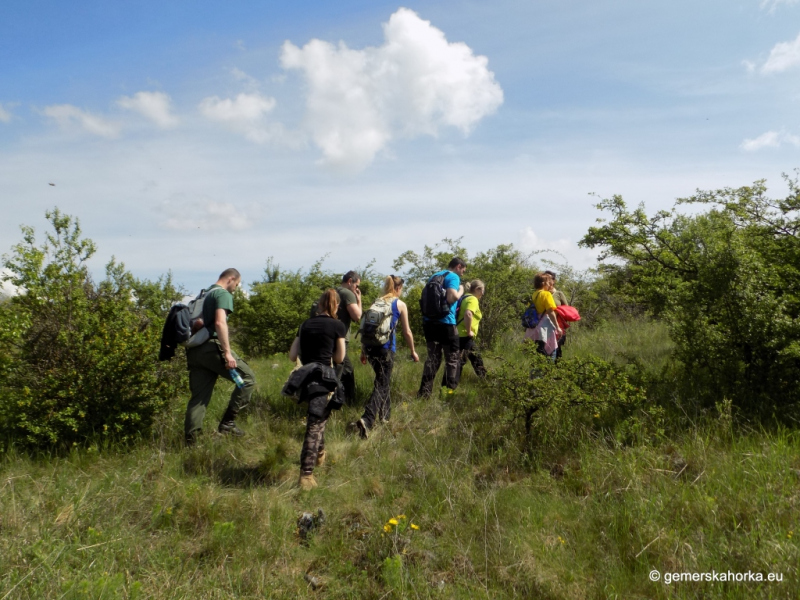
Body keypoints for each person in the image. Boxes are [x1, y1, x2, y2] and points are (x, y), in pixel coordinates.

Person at [184, 268, 256, 445]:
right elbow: (219, 322)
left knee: (199, 398)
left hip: (195, 350)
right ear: (231, 279)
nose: (236, 288)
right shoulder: (222, 294)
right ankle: (228, 423)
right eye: (237, 285)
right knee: (247, 379)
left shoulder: (204, 294)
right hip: (211, 347)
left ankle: (191, 442)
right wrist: (227, 353)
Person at [288, 289, 347, 490]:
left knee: (317, 418)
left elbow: (292, 354)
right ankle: (305, 474)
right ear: (336, 306)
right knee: (315, 424)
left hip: (304, 378)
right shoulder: (337, 325)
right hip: (323, 379)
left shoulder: (304, 325)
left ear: (319, 305)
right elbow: (339, 358)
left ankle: (320, 453)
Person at [356, 276, 419, 439]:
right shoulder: (400, 304)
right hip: (386, 349)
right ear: (398, 288)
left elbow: (366, 328)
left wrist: (363, 351)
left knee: (383, 380)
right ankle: (367, 419)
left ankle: (385, 417)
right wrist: (413, 351)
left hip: (370, 348)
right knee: (382, 383)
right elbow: (407, 331)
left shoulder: (376, 303)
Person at [417, 257, 466, 398]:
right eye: (463, 270)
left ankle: (424, 394)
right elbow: (452, 298)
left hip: (429, 323)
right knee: (452, 359)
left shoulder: (435, 276)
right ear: (458, 266)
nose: (462, 273)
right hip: (446, 323)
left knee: (433, 358)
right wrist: (461, 289)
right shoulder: (453, 277)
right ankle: (447, 394)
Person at [335, 271, 362, 404]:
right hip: (340, 339)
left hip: (326, 337)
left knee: (334, 369)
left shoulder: (332, 292)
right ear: (350, 281)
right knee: (346, 371)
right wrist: (359, 300)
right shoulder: (347, 293)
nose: (357, 289)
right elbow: (357, 316)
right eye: (356, 285)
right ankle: (349, 402)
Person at [523, 272, 563, 360]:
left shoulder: (535, 294)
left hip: (534, 329)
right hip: (545, 329)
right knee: (549, 355)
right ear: (543, 283)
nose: (550, 284)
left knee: (536, 357)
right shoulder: (546, 294)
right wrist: (557, 327)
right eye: (548, 282)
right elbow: (550, 312)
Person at [455, 279, 487, 382]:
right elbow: (468, 314)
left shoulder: (464, 297)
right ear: (478, 289)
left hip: (458, 334)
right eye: (482, 291)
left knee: (460, 361)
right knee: (477, 359)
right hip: (465, 335)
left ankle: (450, 385)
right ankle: (485, 381)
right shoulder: (473, 299)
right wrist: (469, 331)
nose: (483, 294)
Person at [544, 270, 568, 360]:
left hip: (558, 327)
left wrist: (556, 311)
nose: (547, 280)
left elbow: (567, 310)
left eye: (549, 278)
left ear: (554, 281)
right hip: (545, 327)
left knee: (556, 352)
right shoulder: (543, 294)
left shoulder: (559, 294)